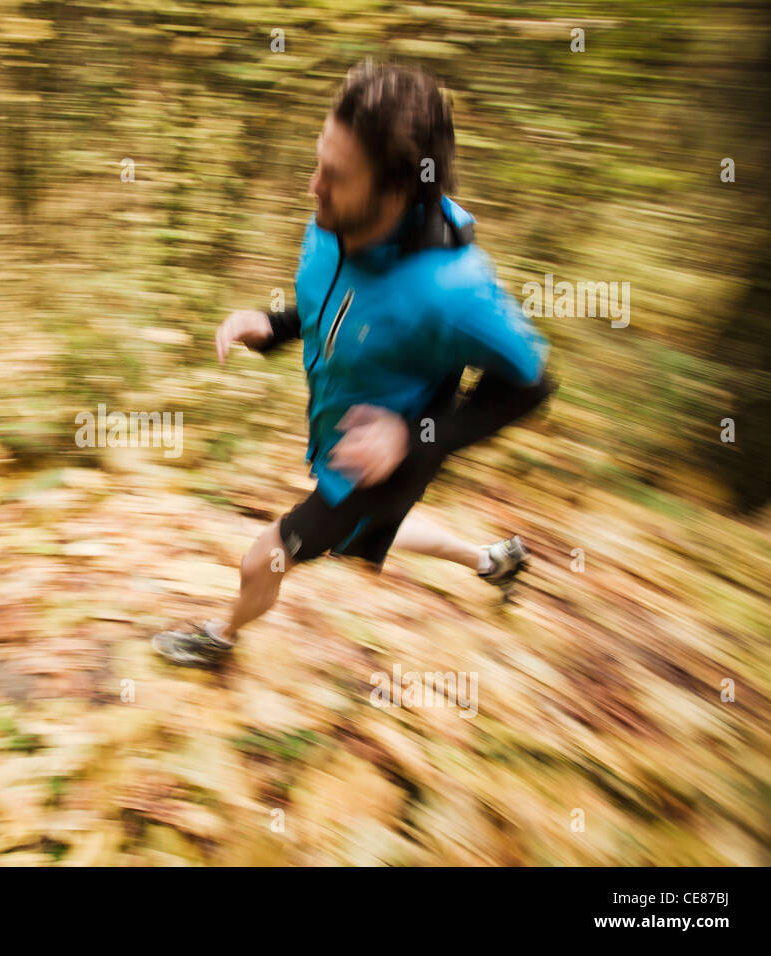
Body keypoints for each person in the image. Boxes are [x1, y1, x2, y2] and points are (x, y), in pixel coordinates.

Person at [153, 61, 557, 668]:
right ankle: (495, 559)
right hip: (342, 441)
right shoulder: (334, 222)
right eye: (319, 160)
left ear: (394, 193)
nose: (313, 185)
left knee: (265, 556)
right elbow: (341, 306)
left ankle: (219, 640)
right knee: (372, 535)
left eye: (334, 175)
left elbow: (531, 386)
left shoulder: (454, 290)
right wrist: (276, 328)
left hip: (382, 470)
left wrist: (413, 437)